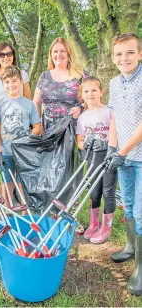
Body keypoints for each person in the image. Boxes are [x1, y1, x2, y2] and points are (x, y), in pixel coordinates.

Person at [33, 37, 88, 233]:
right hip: (48, 130)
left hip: (72, 129)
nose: (58, 55)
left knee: (69, 171)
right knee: (49, 170)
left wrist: (81, 108)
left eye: (62, 51)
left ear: (69, 53)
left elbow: (91, 97)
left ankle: (70, 213)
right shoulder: (45, 76)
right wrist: (37, 124)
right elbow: (36, 101)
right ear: (51, 54)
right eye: (55, 51)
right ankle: (50, 212)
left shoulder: (79, 75)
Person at [106, 33, 142, 295]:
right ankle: (130, 247)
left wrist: (124, 150)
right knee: (127, 203)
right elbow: (114, 119)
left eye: (130, 52)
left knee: (140, 212)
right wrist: (111, 147)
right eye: (119, 54)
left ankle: (140, 269)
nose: (124, 58)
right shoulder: (113, 84)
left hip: (140, 157)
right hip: (122, 157)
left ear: (140, 54)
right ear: (113, 57)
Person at [0, 66, 41, 208]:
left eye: (14, 81)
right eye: (7, 82)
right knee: (7, 182)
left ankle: (25, 211)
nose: (11, 85)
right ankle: (8, 209)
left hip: (23, 152)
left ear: (20, 81)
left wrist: (26, 139)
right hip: (6, 152)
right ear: (3, 84)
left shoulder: (29, 104)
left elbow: (37, 128)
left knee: (22, 181)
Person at [76, 77, 117, 244]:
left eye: (94, 90)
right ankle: (94, 223)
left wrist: (107, 144)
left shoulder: (109, 111)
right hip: (93, 157)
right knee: (94, 191)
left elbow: (116, 134)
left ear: (101, 91)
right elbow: (80, 141)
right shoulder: (82, 117)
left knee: (108, 191)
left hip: (108, 156)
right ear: (82, 95)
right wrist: (86, 144)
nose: (90, 94)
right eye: (86, 91)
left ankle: (106, 227)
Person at [0, 41, 32, 144]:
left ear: (13, 55)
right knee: (4, 157)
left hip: (21, 125)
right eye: (2, 54)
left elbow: (28, 100)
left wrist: (32, 122)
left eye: (9, 54)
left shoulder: (22, 74)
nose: (6, 57)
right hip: (0, 126)